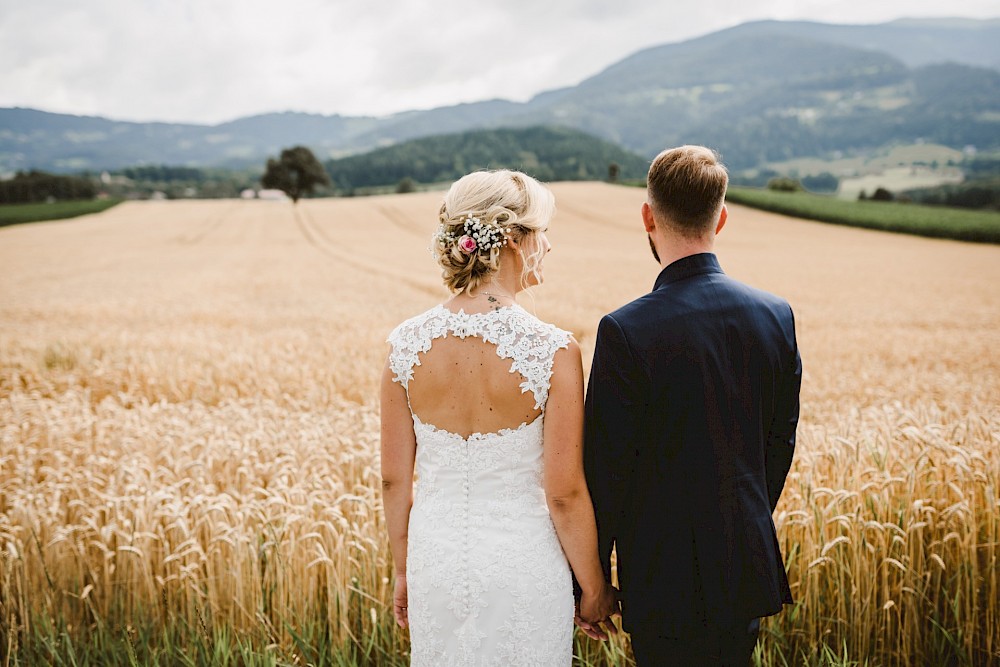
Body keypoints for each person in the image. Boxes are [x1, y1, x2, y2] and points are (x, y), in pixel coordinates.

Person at [380, 170, 618, 665]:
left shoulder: (403, 345)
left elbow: (393, 480)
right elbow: (564, 493)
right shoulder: (554, 350)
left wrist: (404, 571)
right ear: (512, 239)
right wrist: (594, 589)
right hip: (523, 565)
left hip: (436, 561)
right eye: (542, 231)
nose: (548, 245)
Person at [584, 146, 801, 666]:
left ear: (647, 217)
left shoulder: (626, 330)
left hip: (661, 573)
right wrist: (741, 521)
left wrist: (591, 581)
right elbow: (779, 443)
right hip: (743, 561)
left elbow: (605, 467)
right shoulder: (775, 315)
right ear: (721, 218)